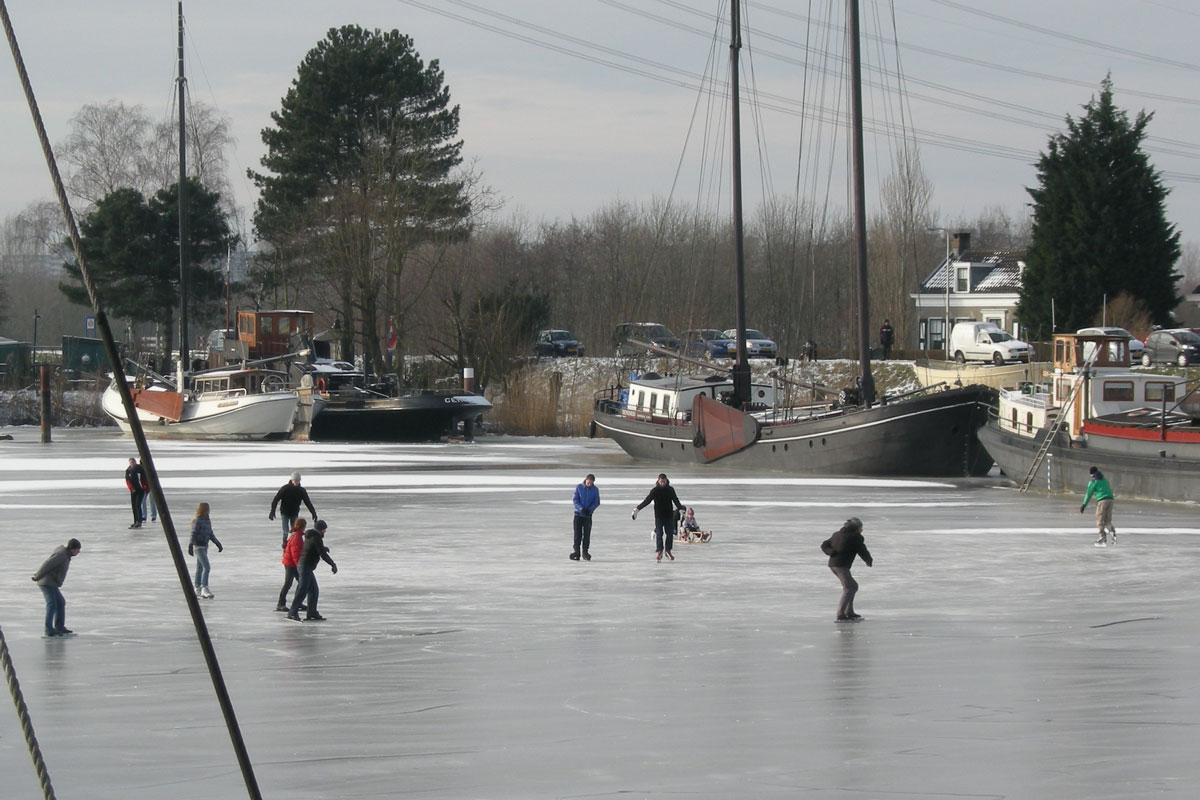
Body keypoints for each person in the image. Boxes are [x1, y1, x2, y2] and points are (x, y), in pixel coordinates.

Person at [821, 517, 873, 622]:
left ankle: (849, 612)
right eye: (861, 527)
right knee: (848, 588)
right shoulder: (856, 537)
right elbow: (862, 550)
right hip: (841, 566)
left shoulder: (837, 534)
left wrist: (830, 552)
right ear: (856, 528)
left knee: (853, 586)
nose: (862, 530)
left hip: (834, 565)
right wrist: (868, 560)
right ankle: (841, 615)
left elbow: (824, 545)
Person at [288, 520, 338, 622]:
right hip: (305, 566)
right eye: (324, 530)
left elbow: (315, 547)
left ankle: (312, 612)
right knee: (303, 590)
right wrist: (333, 564)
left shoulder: (312, 536)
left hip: (305, 567)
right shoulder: (316, 537)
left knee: (313, 590)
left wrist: (323, 548)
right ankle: (292, 612)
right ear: (320, 530)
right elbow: (322, 554)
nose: (324, 532)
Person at [33, 538, 82, 637]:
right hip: (46, 583)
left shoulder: (66, 555)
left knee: (60, 602)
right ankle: (49, 629)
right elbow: (47, 564)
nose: (78, 552)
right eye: (78, 549)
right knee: (52, 604)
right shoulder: (61, 555)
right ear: (72, 549)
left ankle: (59, 627)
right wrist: (37, 576)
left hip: (52, 583)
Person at [634, 473, 685, 562]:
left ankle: (668, 551)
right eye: (661, 482)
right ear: (658, 481)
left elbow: (675, 499)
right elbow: (647, 500)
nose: (662, 483)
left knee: (669, 534)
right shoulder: (655, 490)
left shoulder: (670, 489)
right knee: (659, 534)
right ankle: (660, 550)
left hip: (669, 516)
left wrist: (680, 509)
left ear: (666, 481)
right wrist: (638, 509)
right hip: (659, 516)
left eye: (664, 481)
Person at [269, 471, 317, 549]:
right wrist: (272, 511)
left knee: (294, 531)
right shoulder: (285, 488)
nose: (297, 482)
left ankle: (293, 545)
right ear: (291, 480)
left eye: (298, 481)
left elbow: (308, 502)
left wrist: (313, 513)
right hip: (285, 513)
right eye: (295, 481)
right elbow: (276, 499)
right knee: (286, 531)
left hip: (294, 513)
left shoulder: (302, 491)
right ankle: (285, 546)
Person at [187, 502, 223, 599]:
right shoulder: (198, 520)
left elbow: (210, 533)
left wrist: (217, 543)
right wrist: (190, 545)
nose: (209, 510)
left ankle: (197, 588)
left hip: (205, 546)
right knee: (207, 567)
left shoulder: (207, 520)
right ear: (204, 509)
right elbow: (193, 533)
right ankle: (204, 588)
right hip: (198, 546)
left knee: (200, 568)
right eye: (208, 508)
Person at [276, 517, 308, 612]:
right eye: (304, 525)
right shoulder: (296, 537)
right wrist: (299, 566)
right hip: (291, 564)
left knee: (301, 583)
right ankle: (280, 604)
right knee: (288, 583)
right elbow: (295, 553)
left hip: (292, 563)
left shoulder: (296, 535)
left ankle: (298, 602)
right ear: (302, 526)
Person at [1080, 466, 1117, 545]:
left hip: (1102, 501)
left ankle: (1102, 537)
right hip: (1110, 500)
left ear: (1091, 474)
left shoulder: (1093, 482)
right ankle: (1112, 531)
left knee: (1099, 519)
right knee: (1107, 520)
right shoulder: (1105, 480)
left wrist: (1084, 505)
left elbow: (1088, 494)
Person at [571, 473, 600, 561]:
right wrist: (581, 509)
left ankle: (585, 552)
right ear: (586, 480)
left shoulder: (595, 490)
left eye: (591, 483)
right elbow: (575, 500)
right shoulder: (579, 487)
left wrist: (589, 510)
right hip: (578, 515)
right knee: (577, 535)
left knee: (586, 535)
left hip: (587, 516)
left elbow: (597, 502)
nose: (589, 484)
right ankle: (577, 552)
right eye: (588, 482)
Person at [125, 457, 146, 528]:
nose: (132, 464)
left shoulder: (139, 468)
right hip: (133, 491)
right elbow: (127, 481)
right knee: (134, 506)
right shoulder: (128, 471)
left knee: (138, 505)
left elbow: (144, 477)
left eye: (133, 462)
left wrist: (145, 486)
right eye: (131, 462)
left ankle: (139, 521)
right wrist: (131, 489)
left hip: (140, 490)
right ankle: (135, 521)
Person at [139, 457, 157, 524]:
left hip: (151, 486)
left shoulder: (150, 467)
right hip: (144, 487)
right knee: (143, 501)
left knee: (152, 501)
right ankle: (144, 516)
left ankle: (153, 516)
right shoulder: (140, 468)